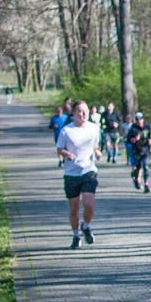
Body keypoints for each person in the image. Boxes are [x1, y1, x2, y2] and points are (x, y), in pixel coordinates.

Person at [55, 101, 101, 249]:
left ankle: (86, 226)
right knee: (74, 208)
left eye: (85, 111)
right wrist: (66, 154)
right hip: (71, 174)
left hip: (88, 171)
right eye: (80, 111)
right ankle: (75, 236)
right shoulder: (66, 131)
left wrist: (97, 151)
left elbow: (95, 144)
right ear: (74, 113)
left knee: (89, 205)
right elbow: (59, 149)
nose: (83, 114)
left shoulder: (94, 128)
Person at [127, 112, 151, 193]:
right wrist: (135, 139)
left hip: (145, 150)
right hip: (137, 151)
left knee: (146, 167)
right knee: (138, 168)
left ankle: (146, 184)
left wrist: (150, 141)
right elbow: (129, 140)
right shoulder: (133, 129)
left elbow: (150, 137)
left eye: (141, 119)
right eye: (137, 120)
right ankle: (136, 179)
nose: (139, 121)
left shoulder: (147, 127)